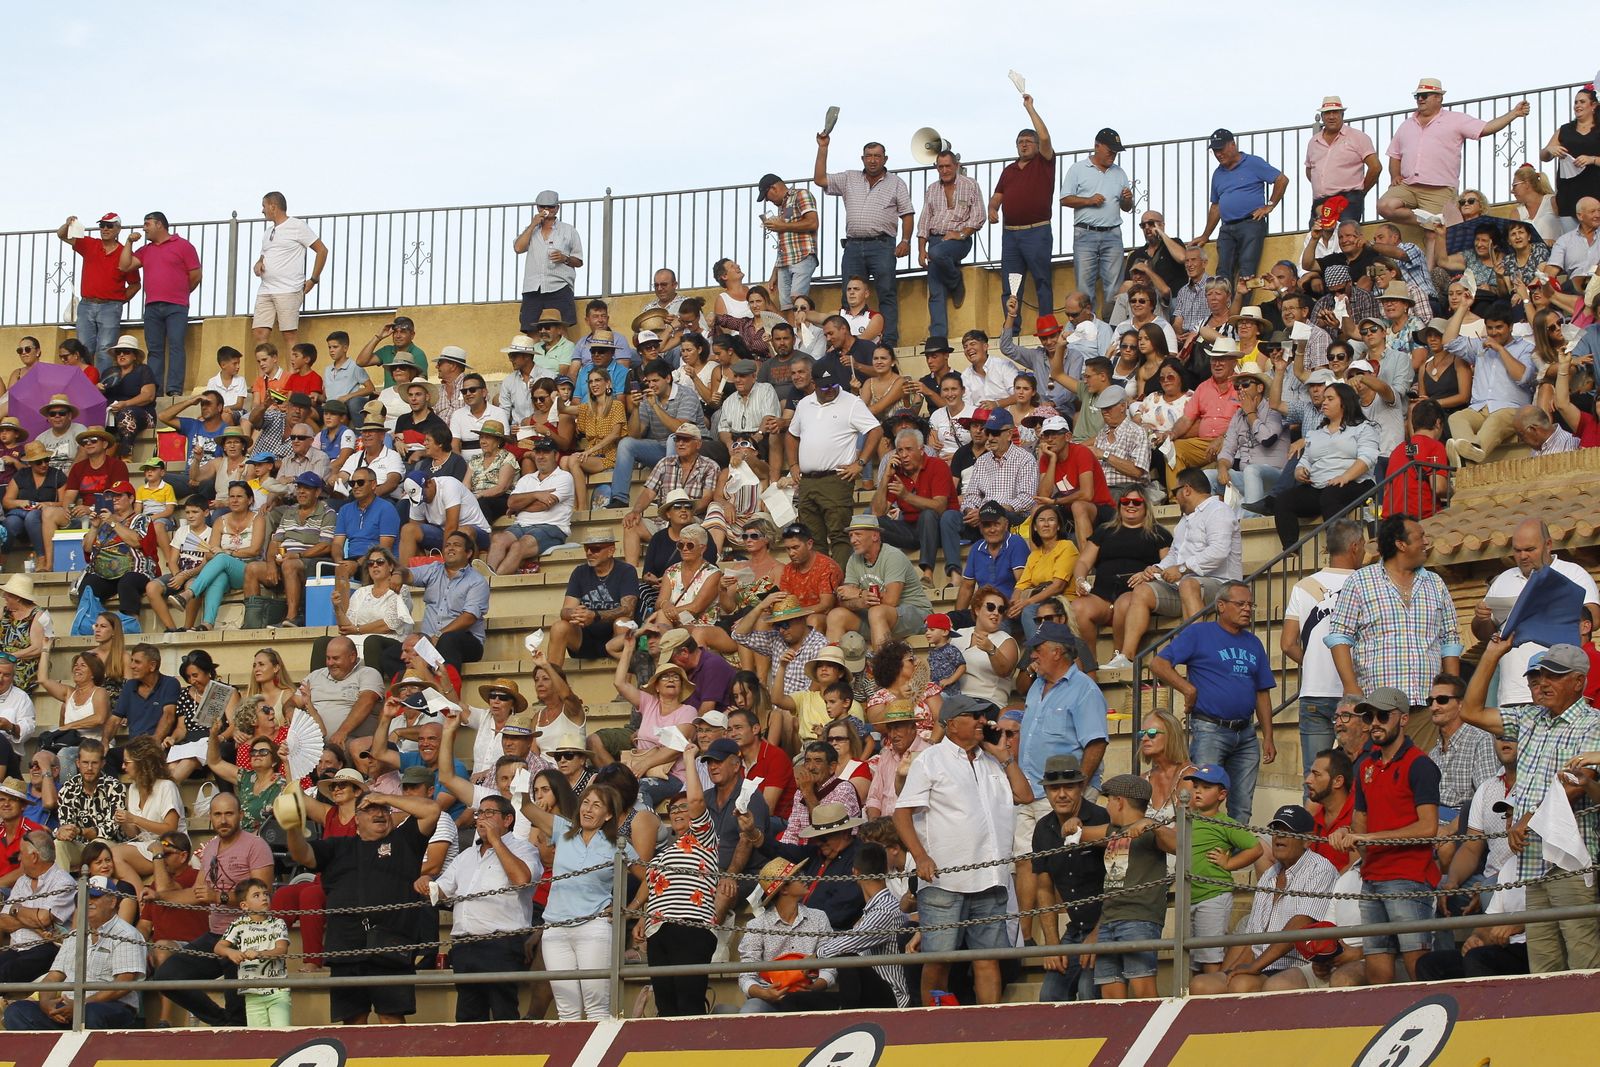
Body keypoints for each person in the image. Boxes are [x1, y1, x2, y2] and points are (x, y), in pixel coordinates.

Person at [1462, 640, 1600, 972]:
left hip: (1570, 860)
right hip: (1531, 862)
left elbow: (1577, 784)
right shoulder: (1529, 718)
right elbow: (1470, 711)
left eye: (1553, 676)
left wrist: (1528, 819)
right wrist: (1492, 655)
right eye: (1537, 678)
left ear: (1578, 681)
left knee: (1582, 957)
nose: (1542, 684)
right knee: (1544, 963)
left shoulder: (1592, 723)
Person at [894, 694, 1033, 1006]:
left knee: (987, 959)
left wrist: (1005, 755)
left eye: (984, 716)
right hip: (945, 880)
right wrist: (920, 856)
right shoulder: (930, 760)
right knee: (940, 958)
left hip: (991, 877)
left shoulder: (993, 762)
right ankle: (933, 1023)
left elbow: (1025, 795)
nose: (984, 722)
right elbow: (901, 814)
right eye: (975, 716)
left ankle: (990, 1024)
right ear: (952, 724)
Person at [284, 781, 442, 1024]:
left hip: (392, 945)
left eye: (382, 809)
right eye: (369, 809)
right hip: (346, 946)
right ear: (356, 818)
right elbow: (302, 854)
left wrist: (384, 797)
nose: (378, 813)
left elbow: (432, 810)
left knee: (392, 1019)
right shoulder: (338, 846)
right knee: (353, 1022)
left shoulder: (405, 840)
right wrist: (293, 828)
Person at [1327, 687, 1442, 986]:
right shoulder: (1365, 766)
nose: (1373, 722)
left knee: (1419, 964)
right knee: (1377, 963)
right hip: (1372, 874)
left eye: (1382, 716)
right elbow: (1360, 822)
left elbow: (1429, 827)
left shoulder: (1421, 765)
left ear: (1403, 719)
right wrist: (1348, 833)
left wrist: (1367, 839)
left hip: (1408, 876)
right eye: (1368, 716)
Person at [1149, 580, 1276, 823]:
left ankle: (1234, 859)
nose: (1247, 609)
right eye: (1240, 604)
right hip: (1210, 729)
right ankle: (1201, 857)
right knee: (1202, 804)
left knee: (1242, 808)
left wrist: (1268, 736)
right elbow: (1158, 663)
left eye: (1250, 604)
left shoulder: (1254, 643)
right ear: (1221, 605)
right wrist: (1188, 689)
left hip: (1246, 733)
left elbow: (1262, 692)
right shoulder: (1199, 633)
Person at [148, 791, 275, 1026]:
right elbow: (197, 894)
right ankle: (221, 1021)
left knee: (239, 1012)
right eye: (218, 814)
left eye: (229, 813)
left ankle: (231, 1027)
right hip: (217, 937)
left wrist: (218, 896)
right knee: (166, 977)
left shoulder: (256, 846)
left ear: (240, 815)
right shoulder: (210, 849)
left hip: (249, 937)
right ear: (211, 818)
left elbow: (262, 895)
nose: (223, 820)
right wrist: (159, 896)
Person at [1190, 805, 1340, 994]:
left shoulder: (1320, 869)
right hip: (1262, 967)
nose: (1279, 837)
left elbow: (1299, 926)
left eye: (1288, 832)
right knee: (1202, 984)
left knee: (1241, 984)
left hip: (1299, 967)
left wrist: (1254, 967)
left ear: (1308, 840)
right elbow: (1253, 937)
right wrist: (1229, 972)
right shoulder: (1269, 875)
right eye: (1276, 831)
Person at [418, 793, 540, 1023]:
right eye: (479, 813)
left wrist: (496, 841)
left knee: (503, 1013)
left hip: (501, 943)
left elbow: (522, 878)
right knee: (468, 1016)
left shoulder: (524, 849)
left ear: (507, 820)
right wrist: (426, 883)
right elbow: (442, 889)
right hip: (465, 945)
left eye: (489, 813)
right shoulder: (466, 856)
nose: (482, 818)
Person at [1104, 468, 1241, 671]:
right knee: (1142, 590)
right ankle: (1127, 657)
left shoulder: (1219, 511)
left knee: (1188, 583)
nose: (1174, 497)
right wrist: (1155, 569)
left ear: (1186, 490)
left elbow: (1218, 552)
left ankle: (1200, 652)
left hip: (1221, 585)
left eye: (1175, 491)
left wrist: (1183, 569)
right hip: (1186, 585)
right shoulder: (1185, 520)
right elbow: (1175, 555)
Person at [1327, 514, 1462, 709]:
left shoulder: (1435, 583)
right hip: (1378, 706)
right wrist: (1350, 687)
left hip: (1428, 703)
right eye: (1420, 537)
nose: (1426, 542)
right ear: (1401, 544)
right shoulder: (1360, 581)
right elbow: (1339, 637)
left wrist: (1450, 695)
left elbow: (1450, 640)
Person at [1378, 78, 1530, 230]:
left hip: (1440, 187)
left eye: (1424, 95)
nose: (1420, 99)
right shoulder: (1406, 125)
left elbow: (1485, 128)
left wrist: (1513, 114)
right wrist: (1395, 175)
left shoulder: (1455, 119)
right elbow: (1395, 155)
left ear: (1438, 97)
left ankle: (1435, 224)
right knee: (1384, 206)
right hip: (1408, 185)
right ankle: (1432, 221)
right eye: (1417, 96)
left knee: (1435, 235)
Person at [2, 875, 143, 1031]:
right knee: (16, 1011)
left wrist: (81, 1005)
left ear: (112, 901)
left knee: (89, 1013)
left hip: (111, 1007)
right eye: (85, 897)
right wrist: (46, 1004)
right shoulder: (74, 936)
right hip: (70, 1007)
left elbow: (124, 984)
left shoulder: (127, 934)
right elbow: (53, 977)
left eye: (95, 897)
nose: (88, 902)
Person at [814, 135, 914, 348]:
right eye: (868, 156)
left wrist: (905, 240)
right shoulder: (850, 177)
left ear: (885, 159)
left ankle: (888, 342)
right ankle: (844, 342)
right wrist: (823, 147)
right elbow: (820, 179)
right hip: (853, 246)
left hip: (882, 245)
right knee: (847, 296)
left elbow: (907, 214)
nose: (873, 160)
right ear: (862, 158)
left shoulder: (896, 183)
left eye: (877, 156)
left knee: (887, 292)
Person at [1282, 520, 1366, 773]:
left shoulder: (1303, 586)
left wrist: (1313, 663)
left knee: (1316, 776)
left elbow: (1287, 644)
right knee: (1359, 773)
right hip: (1358, 692)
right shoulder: (1368, 583)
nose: (1364, 551)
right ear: (1354, 546)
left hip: (1314, 692)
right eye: (1363, 545)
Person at [783, 365, 881, 567]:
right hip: (807, 480)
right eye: (824, 386)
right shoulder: (804, 404)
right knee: (811, 537)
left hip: (836, 478)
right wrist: (793, 464)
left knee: (839, 535)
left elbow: (875, 430)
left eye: (833, 385)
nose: (829, 390)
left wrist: (859, 463)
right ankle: (822, 585)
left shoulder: (852, 402)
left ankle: (840, 584)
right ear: (814, 383)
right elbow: (792, 435)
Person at [1086, 774, 1168, 1000]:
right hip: (1109, 919)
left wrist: (1152, 825)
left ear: (1119, 801)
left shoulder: (1150, 830)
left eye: (1109, 800)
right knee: (1110, 994)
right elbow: (1078, 834)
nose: (1107, 806)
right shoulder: (1112, 830)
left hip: (1139, 918)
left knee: (1144, 991)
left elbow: (1180, 843)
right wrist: (1073, 826)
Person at [1271, 382, 1378, 548]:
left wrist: (1345, 477)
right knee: (1284, 500)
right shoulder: (1315, 433)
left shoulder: (1363, 428)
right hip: (1320, 486)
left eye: (1330, 398)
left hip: (1355, 483)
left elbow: (1368, 458)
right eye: (1324, 399)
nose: (1324, 402)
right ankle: (1290, 550)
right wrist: (1299, 471)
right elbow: (1306, 459)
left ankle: (1337, 548)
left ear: (1344, 402)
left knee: (1330, 495)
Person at [1442, 301, 1535, 465]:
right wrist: (1463, 307)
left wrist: (1500, 349)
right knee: (1457, 417)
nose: (1493, 332)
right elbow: (1448, 342)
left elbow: (1523, 377)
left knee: (1496, 419)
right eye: (1490, 328)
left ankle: (1466, 459)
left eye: (1499, 327)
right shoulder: (1480, 346)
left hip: (1512, 409)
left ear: (1511, 327)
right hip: (1479, 408)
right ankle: (1471, 452)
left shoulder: (1525, 347)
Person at [118, 211, 201, 394]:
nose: (144, 228)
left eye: (147, 223)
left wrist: (181, 293)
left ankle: (174, 389)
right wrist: (129, 242)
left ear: (159, 224)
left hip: (176, 306)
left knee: (176, 346)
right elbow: (124, 266)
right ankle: (154, 389)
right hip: (152, 306)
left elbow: (195, 275)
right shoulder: (146, 250)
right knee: (154, 350)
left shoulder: (183, 246)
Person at [1194, 129, 1288, 281]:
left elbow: (1282, 180)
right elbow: (1215, 207)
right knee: (1222, 273)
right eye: (1215, 151)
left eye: (1221, 149)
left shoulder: (1253, 162)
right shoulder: (1217, 174)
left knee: (1247, 271)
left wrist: (1269, 206)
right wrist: (1206, 235)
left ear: (1232, 145)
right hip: (1226, 228)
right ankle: (1226, 305)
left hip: (1250, 223)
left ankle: (1244, 306)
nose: (1218, 154)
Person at [1060, 127, 1133, 316]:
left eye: (1116, 152)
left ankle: (1111, 328)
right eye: (1110, 151)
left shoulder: (1120, 172)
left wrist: (1127, 199)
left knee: (1114, 289)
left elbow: (1127, 208)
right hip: (1085, 234)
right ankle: (1088, 328)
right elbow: (1064, 199)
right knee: (1084, 288)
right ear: (1097, 146)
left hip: (1113, 234)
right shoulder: (1078, 169)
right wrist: (1088, 200)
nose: (1113, 155)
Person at [829, 514, 932, 647]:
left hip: (916, 614)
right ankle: (834, 665)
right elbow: (844, 601)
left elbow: (891, 600)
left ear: (875, 536)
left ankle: (883, 666)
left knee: (877, 612)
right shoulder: (854, 559)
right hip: (878, 619)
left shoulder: (893, 556)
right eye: (851, 535)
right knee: (835, 615)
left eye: (858, 534)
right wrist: (861, 600)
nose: (853, 540)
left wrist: (859, 593)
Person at [57, 212, 140, 370]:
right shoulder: (90, 244)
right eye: (102, 225)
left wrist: (118, 301)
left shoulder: (124, 253)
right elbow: (61, 235)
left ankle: (102, 387)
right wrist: (67, 224)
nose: (105, 229)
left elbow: (135, 284)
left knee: (105, 350)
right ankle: (84, 385)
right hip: (87, 303)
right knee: (83, 349)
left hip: (110, 306)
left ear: (118, 229)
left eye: (109, 225)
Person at [918, 149, 985, 338]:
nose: (945, 170)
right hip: (935, 239)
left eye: (948, 166)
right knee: (936, 291)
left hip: (959, 240)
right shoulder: (932, 189)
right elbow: (924, 220)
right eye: (941, 167)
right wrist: (921, 249)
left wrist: (960, 233)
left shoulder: (970, 185)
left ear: (956, 166)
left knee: (938, 254)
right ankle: (938, 337)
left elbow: (979, 217)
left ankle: (955, 282)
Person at [401, 531, 491, 668]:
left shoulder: (477, 581)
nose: (450, 548)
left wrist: (438, 636)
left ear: (468, 553)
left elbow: (469, 617)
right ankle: (409, 684)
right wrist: (397, 574)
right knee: (390, 652)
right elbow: (407, 574)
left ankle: (448, 687)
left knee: (447, 639)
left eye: (456, 545)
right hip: (430, 641)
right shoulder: (433, 570)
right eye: (447, 545)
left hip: (466, 642)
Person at [252, 192, 327, 352]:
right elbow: (264, 255)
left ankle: (292, 377)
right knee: (259, 333)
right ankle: (263, 377)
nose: (262, 210)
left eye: (264, 206)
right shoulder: (268, 232)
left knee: (289, 335)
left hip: (288, 289)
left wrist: (313, 279)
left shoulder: (297, 226)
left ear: (273, 206)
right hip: (266, 289)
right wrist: (259, 263)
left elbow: (322, 250)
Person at [214, 877, 292, 1027]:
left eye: (265, 894)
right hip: (251, 993)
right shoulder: (238, 924)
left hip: (277, 991)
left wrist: (260, 954)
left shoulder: (278, 923)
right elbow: (219, 947)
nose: (263, 897)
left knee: (282, 1035)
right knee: (259, 1038)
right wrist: (231, 952)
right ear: (244, 905)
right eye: (256, 895)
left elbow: (281, 949)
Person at [514, 190, 584, 331]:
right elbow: (518, 248)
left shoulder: (568, 230)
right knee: (531, 330)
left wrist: (565, 258)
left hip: (559, 285)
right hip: (533, 287)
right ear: (538, 208)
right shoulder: (531, 231)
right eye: (543, 206)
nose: (547, 210)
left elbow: (579, 261)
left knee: (561, 329)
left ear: (557, 208)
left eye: (551, 207)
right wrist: (533, 224)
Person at [1305, 96, 1381, 225]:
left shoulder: (1357, 137)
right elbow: (1309, 170)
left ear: (1342, 114)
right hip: (1320, 201)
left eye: (1335, 112)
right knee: (1318, 240)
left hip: (1348, 199)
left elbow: (1375, 167)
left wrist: (1361, 192)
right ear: (1322, 116)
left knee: (1345, 238)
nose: (1331, 116)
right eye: (1327, 113)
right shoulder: (1314, 141)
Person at [757, 173, 819, 310]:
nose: (767, 200)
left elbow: (813, 223)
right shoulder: (782, 207)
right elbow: (785, 243)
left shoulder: (801, 194)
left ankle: (802, 330)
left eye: (766, 196)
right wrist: (774, 273)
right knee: (786, 306)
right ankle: (791, 331)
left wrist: (783, 226)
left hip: (802, 256)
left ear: (773, 188)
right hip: (784, 262)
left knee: (798, 300)